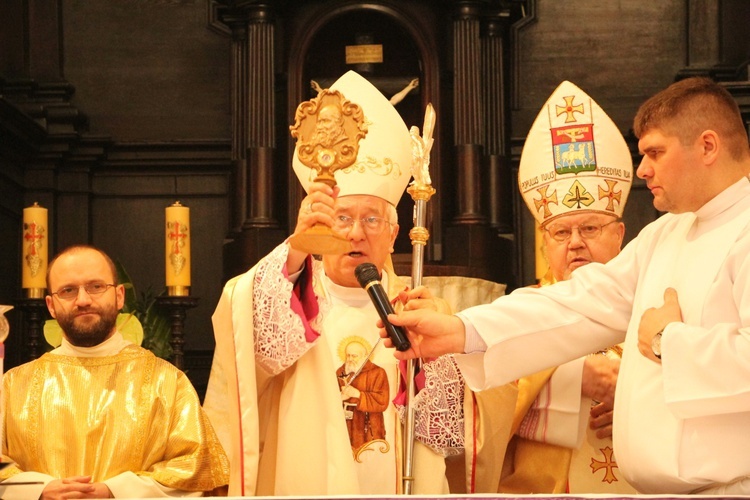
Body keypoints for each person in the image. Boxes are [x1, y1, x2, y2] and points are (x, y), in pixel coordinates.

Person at [381, 76, 750, 495]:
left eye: (655, 152)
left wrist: (668, 341)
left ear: (707, 146)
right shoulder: (666, 234)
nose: (643, 168)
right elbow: (579, 303)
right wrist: (461, 331)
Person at [203, 70, 453, 496]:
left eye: (371, 219)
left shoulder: (420, 311)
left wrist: (435, 363)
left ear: (393, 234)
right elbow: (246, 341)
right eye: (341, 219)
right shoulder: (290, 296)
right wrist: (297, 248)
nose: (356, 233)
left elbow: (448, 434)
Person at [0, 245, 229, 499]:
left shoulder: (167, 382)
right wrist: (39, 489)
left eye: (96, 287)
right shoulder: (13, 385)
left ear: (119, 296)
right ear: (51, 306)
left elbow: (195, 468)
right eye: (68, 290)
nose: (83, 300)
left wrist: (115, 491)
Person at [495, 81, 635, 494]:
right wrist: (575, 379)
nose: (575, 242)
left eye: (590, 227)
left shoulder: (653, 311)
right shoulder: (521, 312)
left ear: (620, 234)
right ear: (544, 243)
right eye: (560, 232)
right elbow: (484, 401)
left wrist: (634, 397)